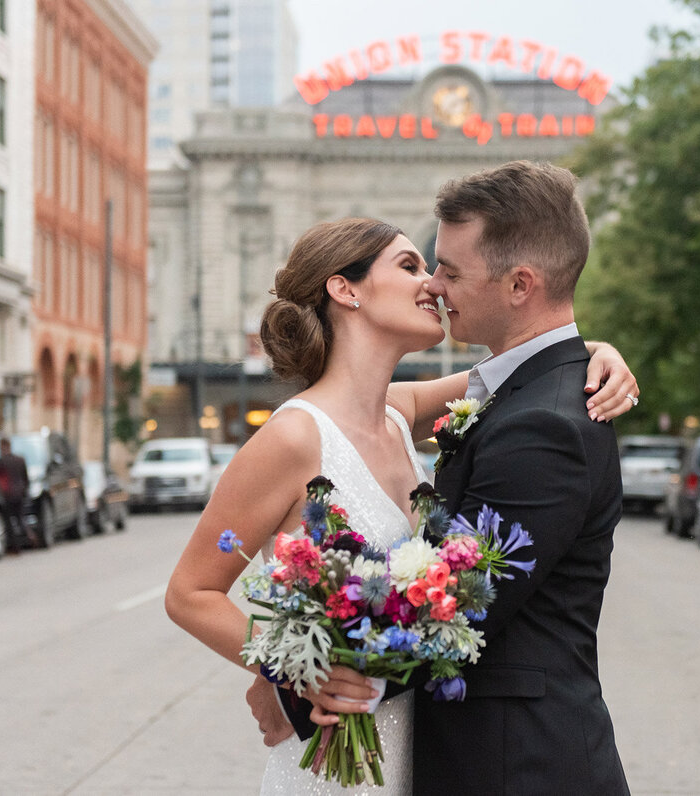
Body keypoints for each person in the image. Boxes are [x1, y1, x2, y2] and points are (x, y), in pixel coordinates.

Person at [165, 213, 637, 794]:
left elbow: (525, 371)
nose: (432, 284)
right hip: (336, 762)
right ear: (346, 289)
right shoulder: (292, 438)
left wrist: (593, 350)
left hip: (417, 749)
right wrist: (288, 669)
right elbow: (190, 592)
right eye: (411, 266)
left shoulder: (395, 414)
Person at [300, 161, 631, 793]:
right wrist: (591, 348)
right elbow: (365, 408)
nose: (434, 286)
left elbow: (452, 613)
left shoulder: (546, 426)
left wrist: (300, 681)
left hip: (517, 769)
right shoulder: (519, 392)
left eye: (450, 270)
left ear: (519, 285)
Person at [0, 437, 33, 554]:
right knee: (20, 518)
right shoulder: (20, 460)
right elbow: (26, 478)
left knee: (9, 522)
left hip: (8, 494)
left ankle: (16, 546)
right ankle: (29, 535)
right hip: (19, 493)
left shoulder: (0, 462)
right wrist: (24, 491)